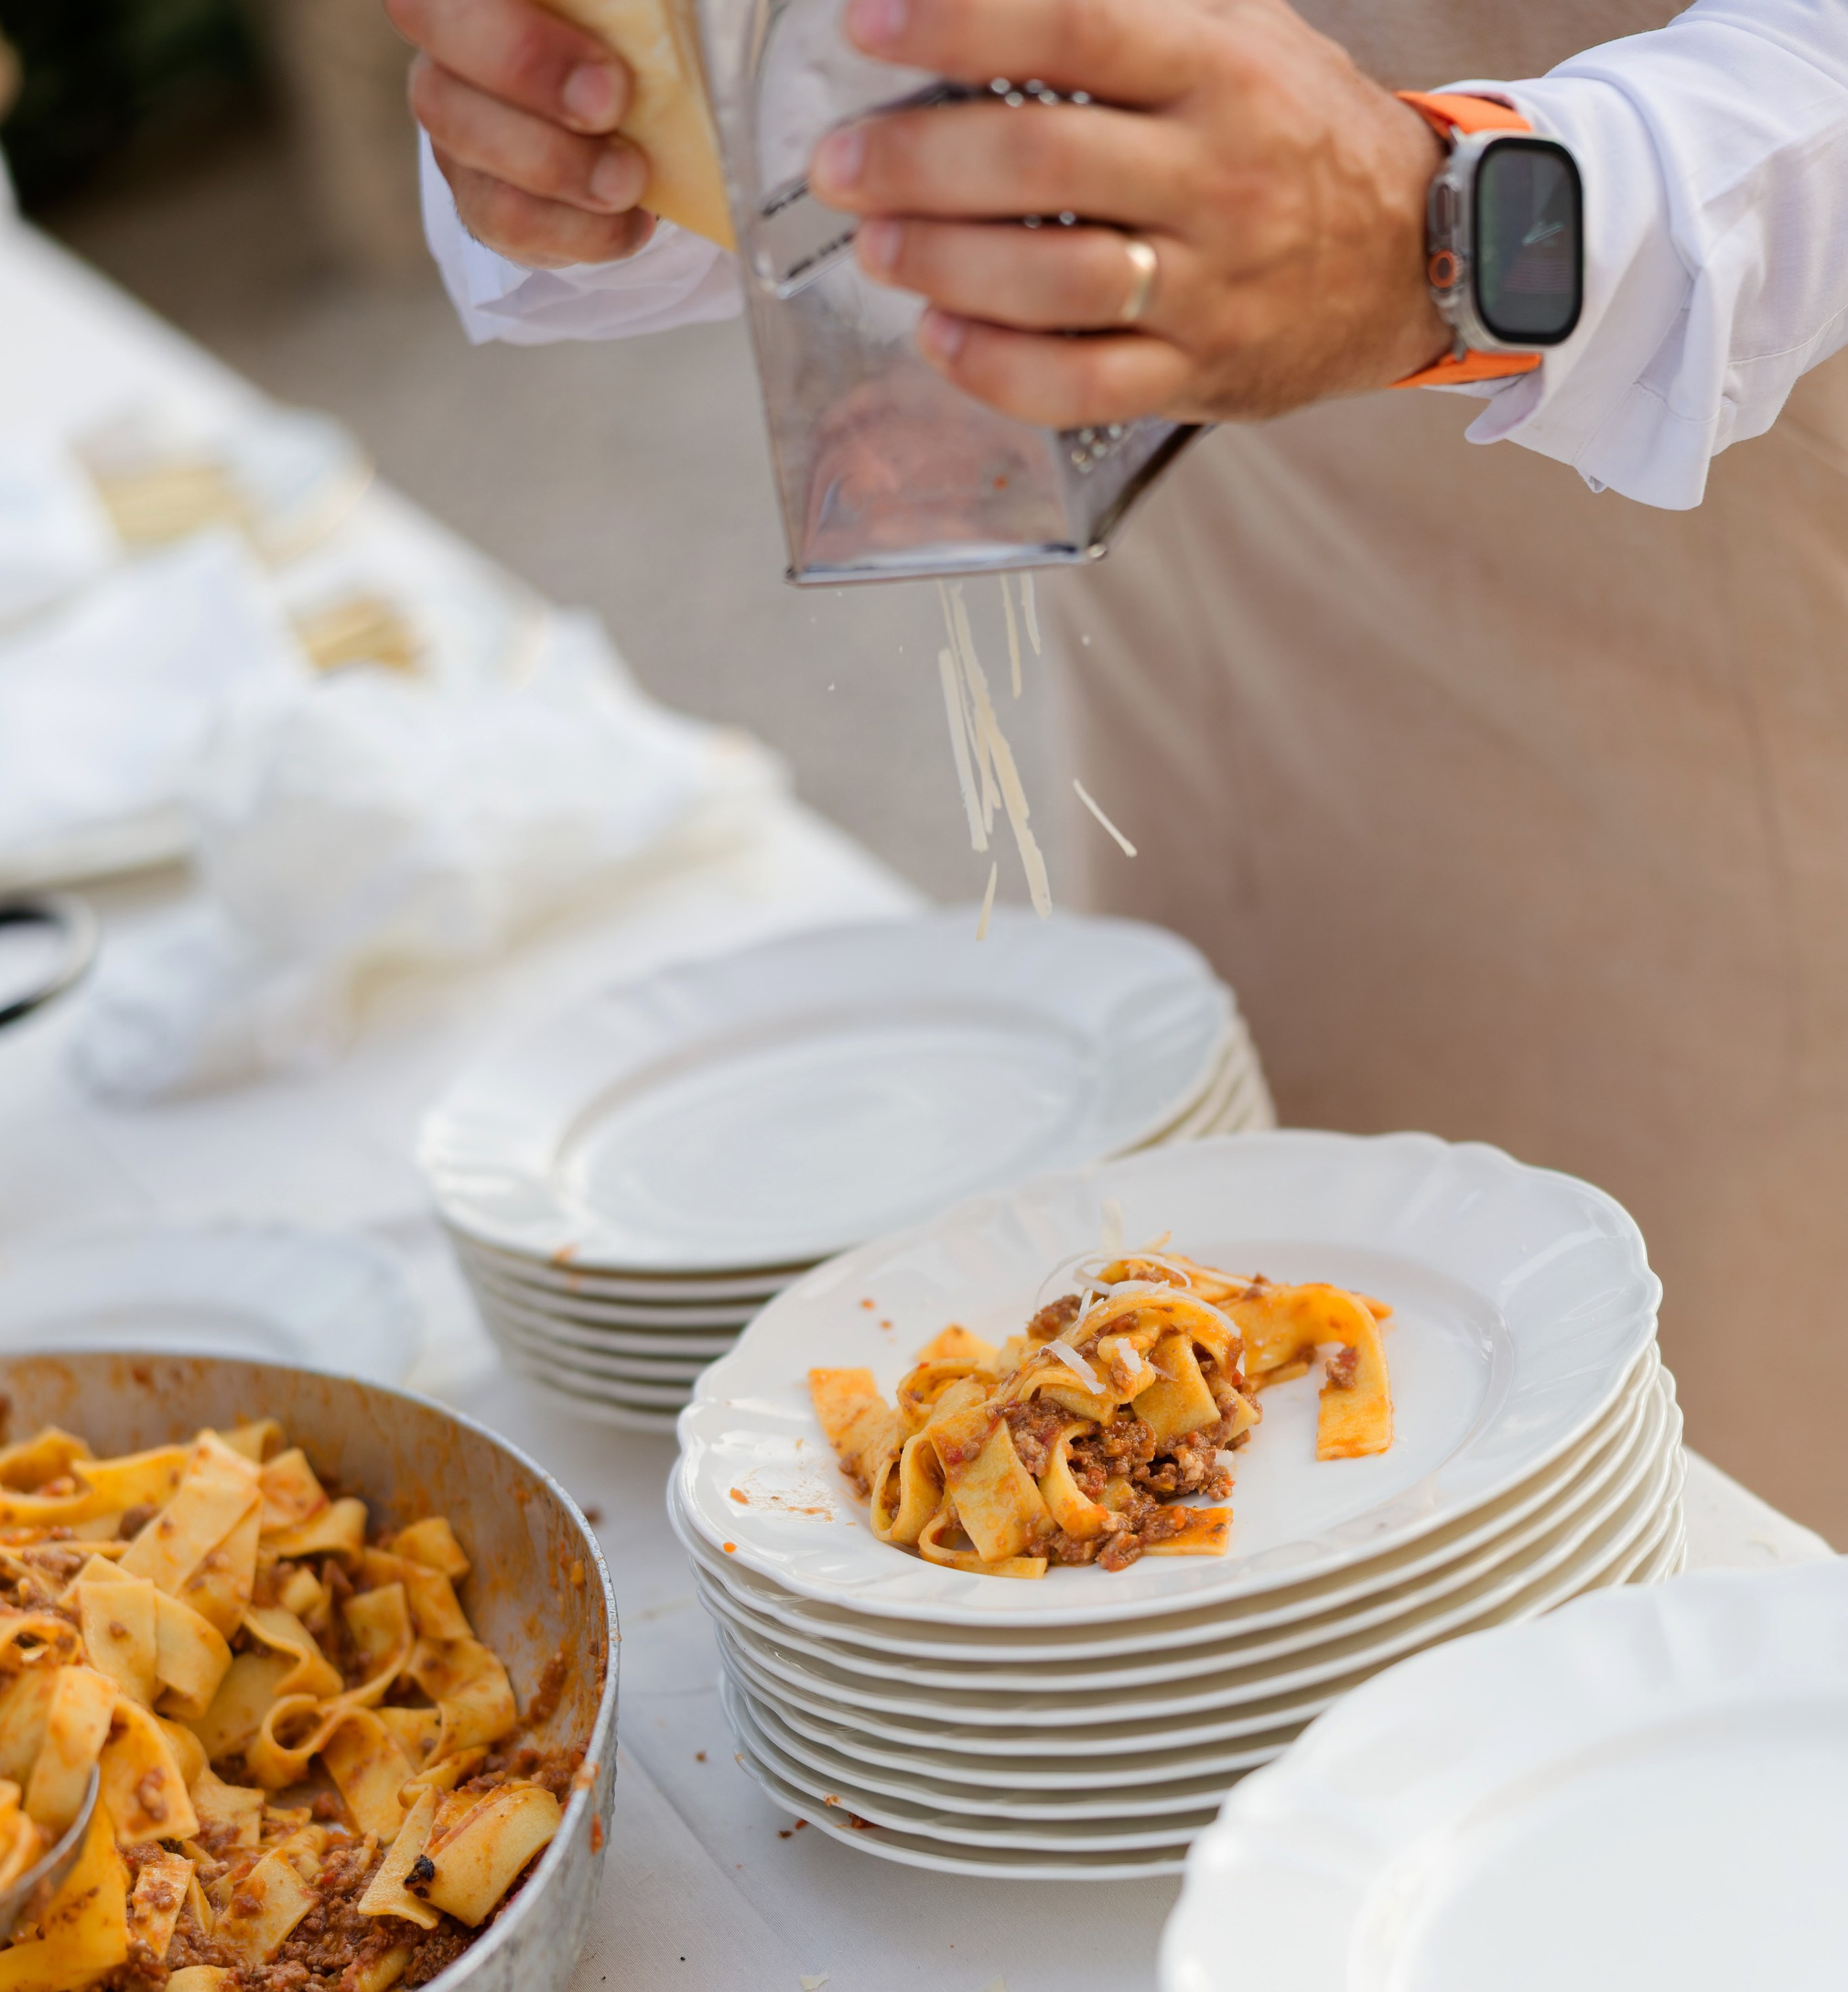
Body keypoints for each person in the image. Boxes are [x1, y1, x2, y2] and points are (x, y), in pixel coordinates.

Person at [389, 0, 1848, 1535]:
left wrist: (1462, 222)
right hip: (1207, 557)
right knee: (1229, 1398)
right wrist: (627, 124)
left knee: (1726, 1499)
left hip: (1723, 555)